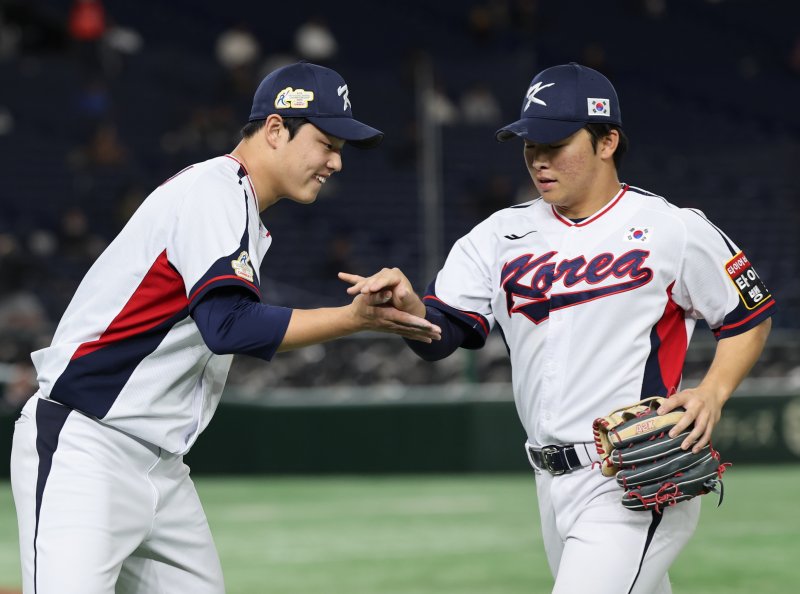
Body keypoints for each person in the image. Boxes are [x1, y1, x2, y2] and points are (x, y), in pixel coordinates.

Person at [342, 62, 775, 593]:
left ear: (607, 140)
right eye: (530, 145)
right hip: (549, 481)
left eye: (555, 144)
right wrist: (409, 310)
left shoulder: (672, 228)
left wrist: (713, 392)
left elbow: (749, 315)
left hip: (632, 473)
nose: (539, 160)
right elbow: (444, 334)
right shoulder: (499, 235)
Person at [10, 61, 441, 594]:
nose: (335, 161)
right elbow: (228, 325)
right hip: (88, 446)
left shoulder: (237, 207)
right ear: (277, 129)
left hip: (161, 467)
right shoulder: (215, 189)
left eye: (341, 149)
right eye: (326, 142)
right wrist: (354, 320)